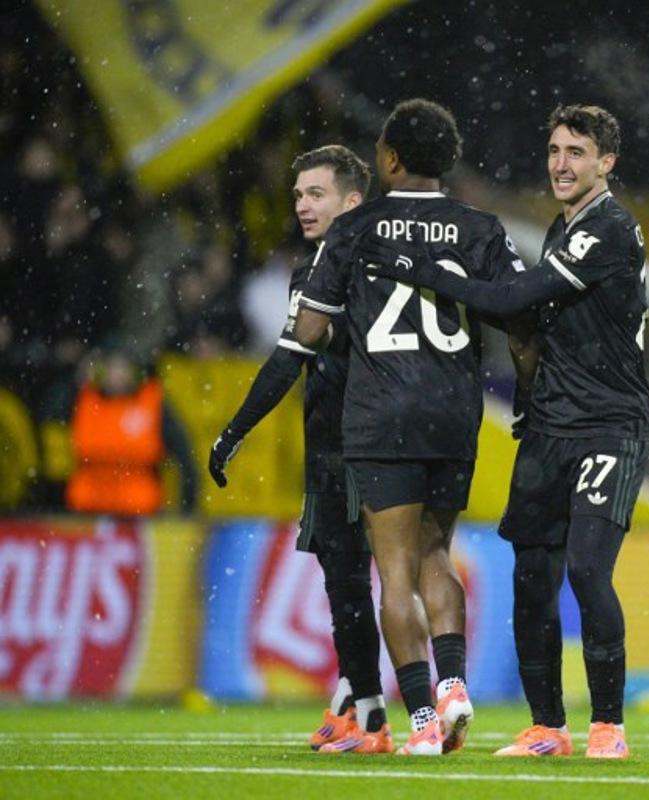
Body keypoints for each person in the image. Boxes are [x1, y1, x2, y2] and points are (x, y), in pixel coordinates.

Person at [371, 104, 649, 760]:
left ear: (606, 163)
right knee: (532, 576)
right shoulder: (565, 228)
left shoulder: (607, 227)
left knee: (585, 569)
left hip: (611, 425)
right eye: (554, 150)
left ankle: (608, 727)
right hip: (552, 426)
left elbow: (513, 301)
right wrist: (528, 398)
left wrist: (422, 268)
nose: (560, 163)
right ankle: (547, 726)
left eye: (576, 152)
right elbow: (531, 325)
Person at [293, 99, 525, 756]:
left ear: (388, 158)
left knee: (393, 570)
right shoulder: (481, 228)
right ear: (448, 161)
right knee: (434, 555)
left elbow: (310, 329)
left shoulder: (356, 228)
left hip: (382, 414)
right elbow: (516, 311)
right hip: (454, 413)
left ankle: (423, 720)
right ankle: (454, 683)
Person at [207, 145, 388, 753]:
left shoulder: (339, 273)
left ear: (352, 201)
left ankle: (376, 715)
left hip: (352, 446)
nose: (302, 205)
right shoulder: (372, 265)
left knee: (356, 583)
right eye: (298, 195)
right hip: (352, 445)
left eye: (316, 194)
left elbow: (288, 363)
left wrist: (234, 431)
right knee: (356, 582)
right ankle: (360, 699)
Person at [67, 344, 197, 516]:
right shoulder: (81, 399)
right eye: (111, 367)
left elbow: (184, 456)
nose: (117, 375)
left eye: (123, 367)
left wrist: (187, 507)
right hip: (86, 510)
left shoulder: (153, 402)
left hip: (140, 513)